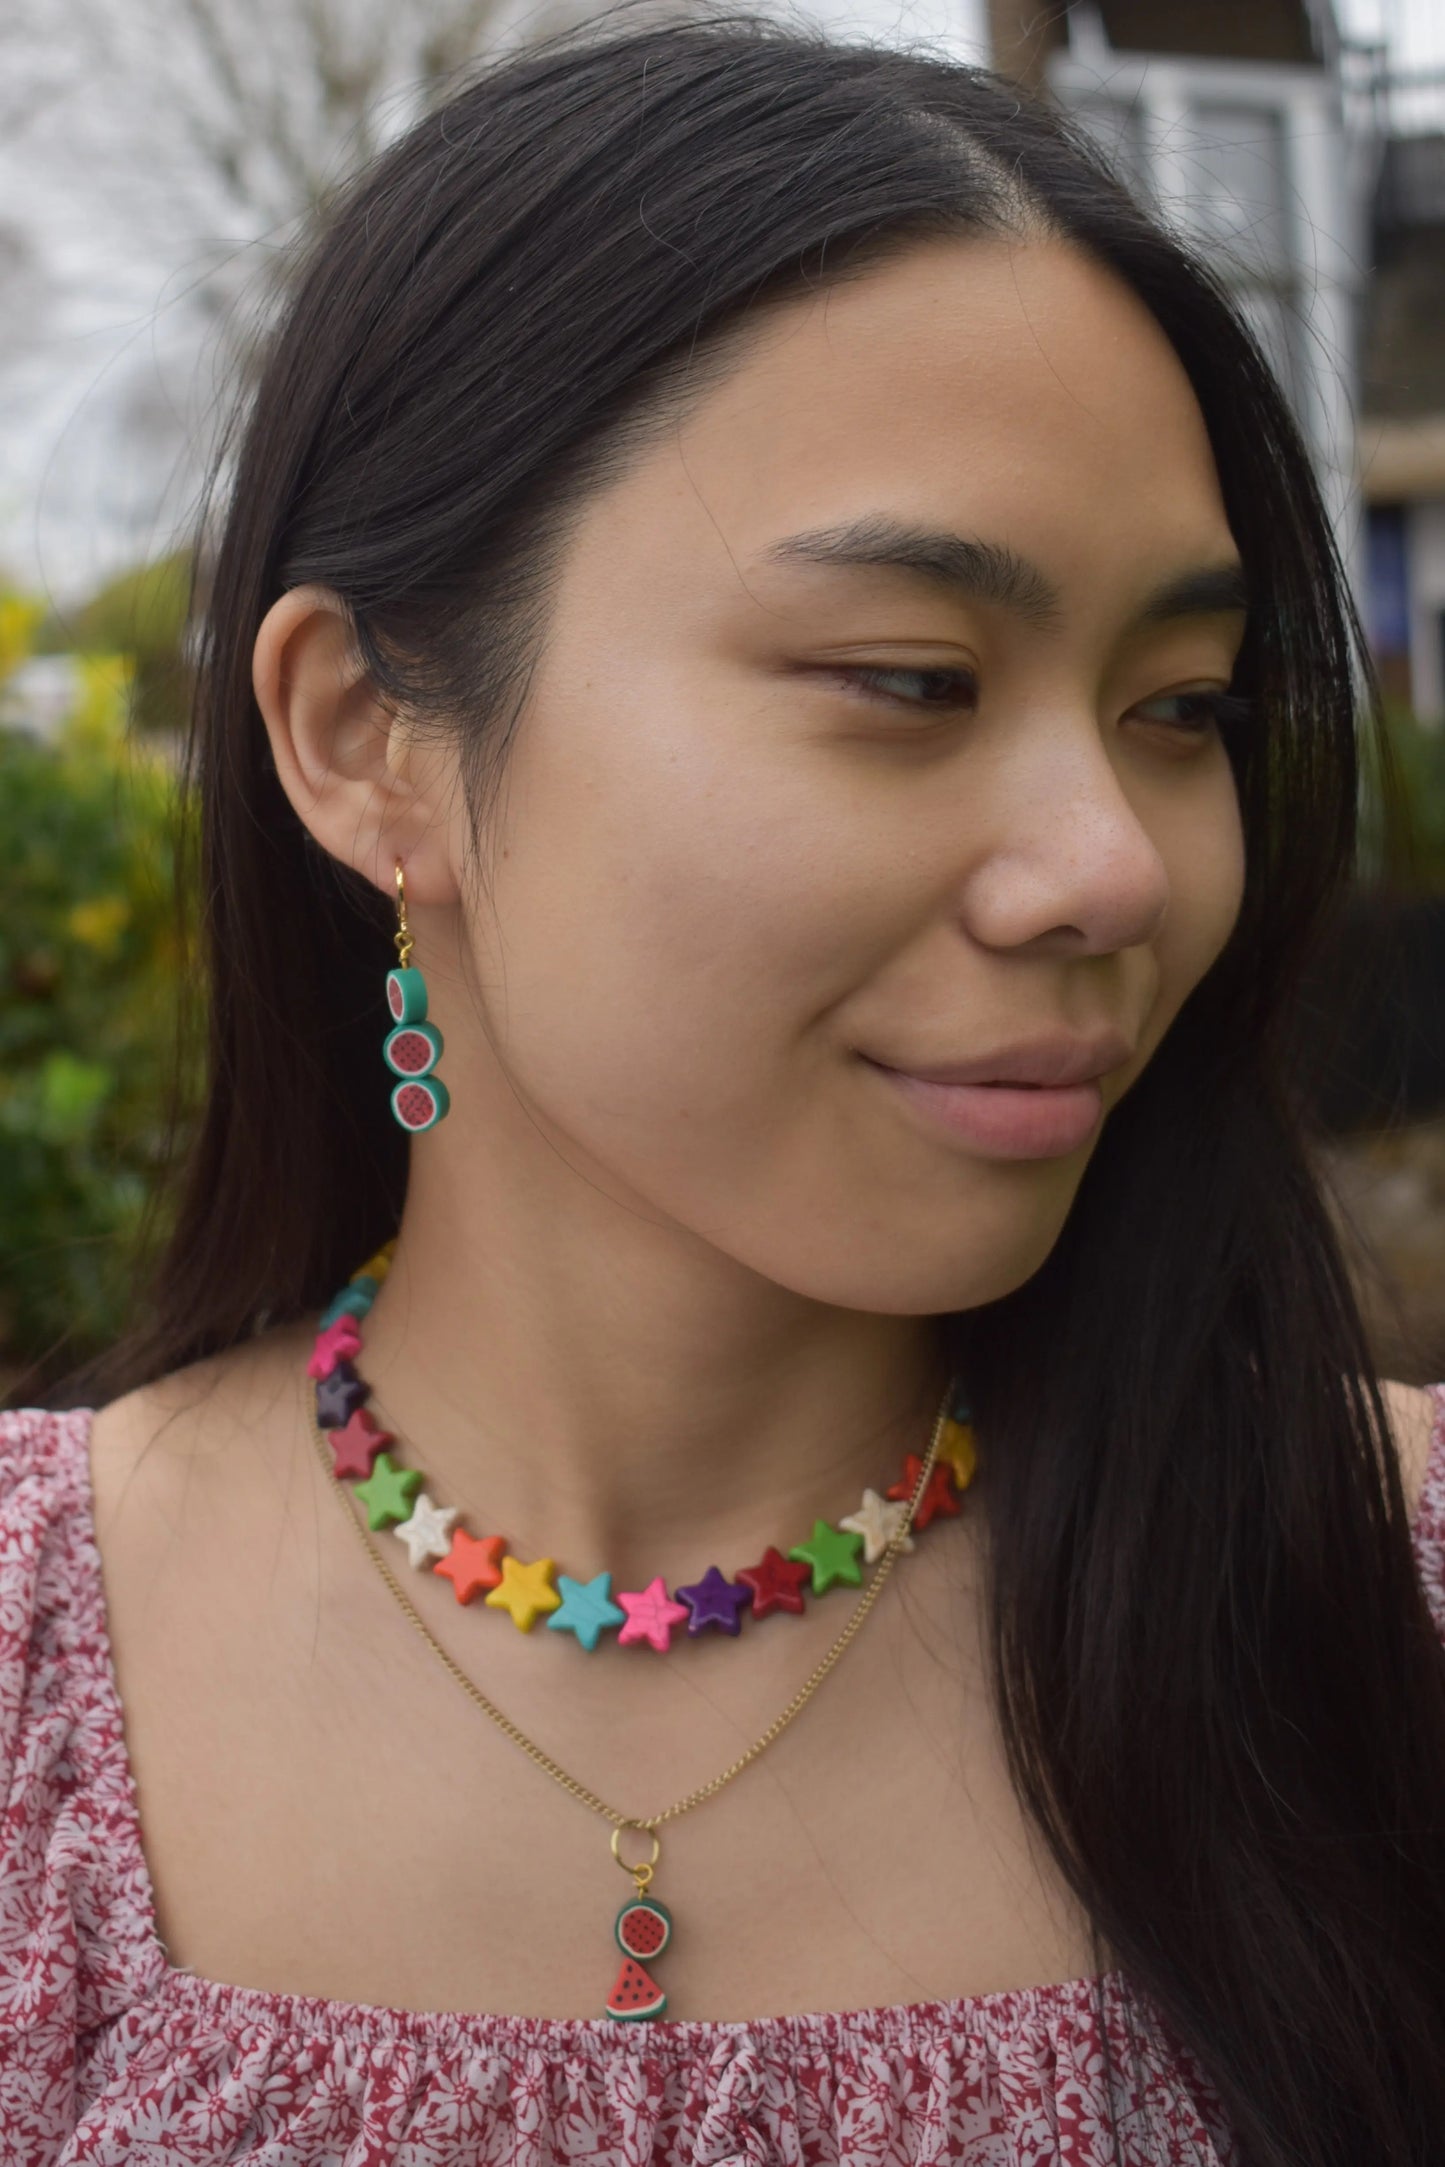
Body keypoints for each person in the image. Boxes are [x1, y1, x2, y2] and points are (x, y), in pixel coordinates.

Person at [3, 8, 1443, 2161]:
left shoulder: (1380, 1604)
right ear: (364, 739)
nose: (1119, 865)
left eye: (1186, 705)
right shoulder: (36, 1684)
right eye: (909, 679)